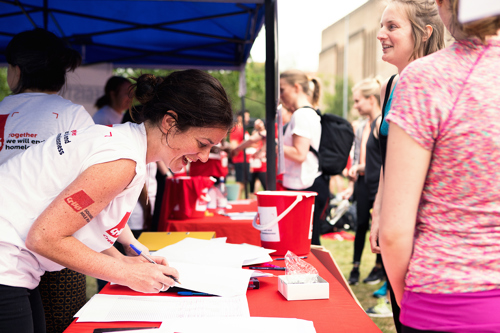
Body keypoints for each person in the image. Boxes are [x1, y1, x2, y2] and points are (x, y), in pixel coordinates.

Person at [0, 69, 234, 333]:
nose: (204, 157)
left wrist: (126, 260)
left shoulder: (125, 144)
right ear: (170, 122)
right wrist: (128, 273)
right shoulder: (121, 161)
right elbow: (44, 237)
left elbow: (84, 221)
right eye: (202, 143)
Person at [379, 0, 500, 331]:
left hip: (448, 298)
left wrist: (413, 302)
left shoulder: (427, 77)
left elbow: (393, 233)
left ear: (444, 5)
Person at [0, 28, 95, 333]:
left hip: (9, 248)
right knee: (62, 325)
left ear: (16, 71)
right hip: (55, 247)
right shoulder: (72, 115)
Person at [368, 0, 445, 330]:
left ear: (424, 33)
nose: (380, 34)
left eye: (392, 26)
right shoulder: (391, 85)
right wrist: (377, 214)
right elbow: (391, 161)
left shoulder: (436, 84)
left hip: (428, 230)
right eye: (381, 26)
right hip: (395, 225)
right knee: (403, 318)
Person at [280, 69, 329, 246]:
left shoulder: (301, 114)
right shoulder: (306, 113)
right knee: (308, 241)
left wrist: (275, 144)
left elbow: (300, 154)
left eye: (282, 89)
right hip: (307, 184)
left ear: (296, 87)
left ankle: (312, 274)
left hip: (305, 185)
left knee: (306, 243)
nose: (280, 96)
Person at [345, 78, 384, 288]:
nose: (356, 105)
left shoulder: (381, 124)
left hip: (377, 185)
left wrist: (364, 168)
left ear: (371, 99)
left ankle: (379, 269)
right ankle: (356, 265)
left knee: (379, 229)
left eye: (358, 100)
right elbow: (362, 155)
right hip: (362, 182)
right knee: (360, 225)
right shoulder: (362, 126)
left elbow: (382, 161)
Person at [229, 110, 250, 199]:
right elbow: (233, 146)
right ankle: (236, 201)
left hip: (246, 159)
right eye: (246, 116)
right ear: (239, 117)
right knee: (240, 181)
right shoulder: (237, 129)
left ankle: (240, 200)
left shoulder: (244, 130)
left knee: (244, 183)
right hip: (240, 159)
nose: (248, 119)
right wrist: (246, 144)